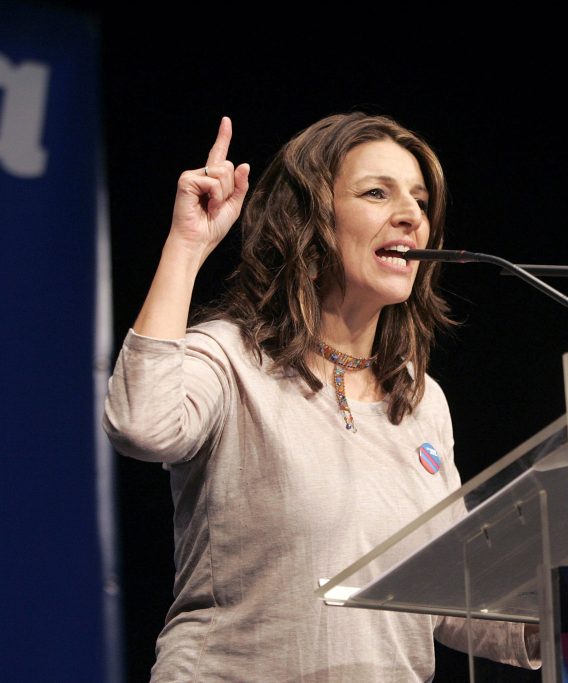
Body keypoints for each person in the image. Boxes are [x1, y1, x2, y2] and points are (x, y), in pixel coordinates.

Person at [102, 113, 542, 681]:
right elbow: (142, 423)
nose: (410, 216)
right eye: (377, 193)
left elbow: (452, 597)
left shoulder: (421, 400)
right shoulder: (232, 357)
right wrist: (187, 246)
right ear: (312, 220)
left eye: (420, 200)